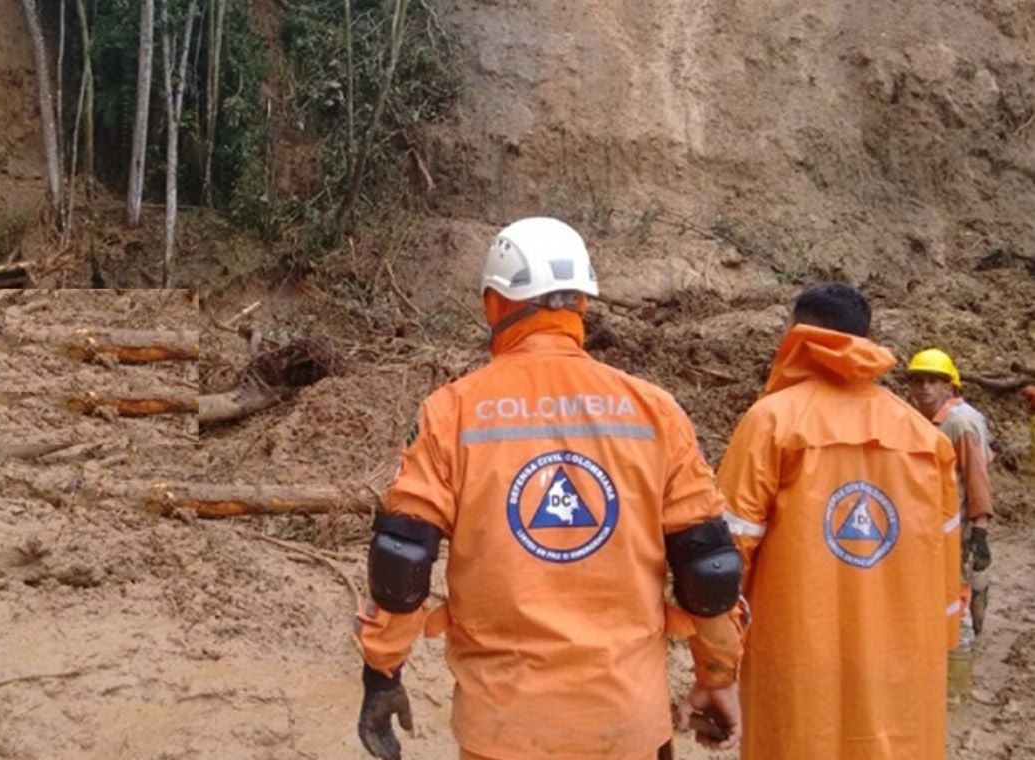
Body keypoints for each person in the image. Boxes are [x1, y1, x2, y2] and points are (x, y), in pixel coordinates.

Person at [353, 217, 746, 760]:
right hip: (627, 721)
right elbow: (709, 571)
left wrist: (382, 673)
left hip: (506, 726)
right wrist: (717, 674)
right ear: (582, 305)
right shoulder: (654, 411)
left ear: (494, 303)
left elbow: (401, 561)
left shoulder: (454, 412)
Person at [716, 283, 961, 760]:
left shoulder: (772, 422)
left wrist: (716, 663)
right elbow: (947, 570)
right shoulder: (924, 438)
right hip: (900, 666)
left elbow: (727, 556)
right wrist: (939, 646)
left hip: (796, 666)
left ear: (796, 335)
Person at [906, 348, 995, 665]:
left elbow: (977, 478)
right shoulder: (920, 419)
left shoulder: (961, 422)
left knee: (956, 589)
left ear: (950, 386)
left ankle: (960, 661)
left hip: (957, 525)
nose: (925, 388)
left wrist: (979, 532)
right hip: (928, 526)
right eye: (918, 381)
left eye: (933, 381)